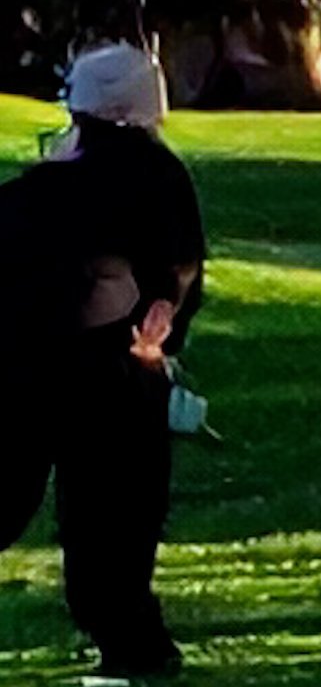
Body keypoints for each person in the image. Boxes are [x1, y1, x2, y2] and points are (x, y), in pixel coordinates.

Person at [0, 43, 205, 679]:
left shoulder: (47, 188)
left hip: (34, 364)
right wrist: (162, 329)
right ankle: (132, 641)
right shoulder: (161, 177)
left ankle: (133, 640)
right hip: (120, 367)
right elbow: (180, 269)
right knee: (114, 520)